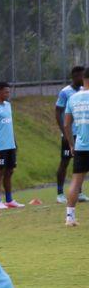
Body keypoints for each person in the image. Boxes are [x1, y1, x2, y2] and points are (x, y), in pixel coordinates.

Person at [0, 82, 22, 210]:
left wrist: (15, 142)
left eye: (9, 91)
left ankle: (9, 200)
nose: (8, 94)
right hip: (0, 147)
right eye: (6, 92)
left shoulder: (8, 105)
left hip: (10, 145)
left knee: (10, 171)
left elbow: (9, 126)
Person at [55, 66, 85, 203]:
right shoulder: (65, 92)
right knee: (65, 162)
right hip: (69, 134)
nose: (83, 79)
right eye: (81, 76)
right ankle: (60, 193)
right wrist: (64, 132)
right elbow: (58, 112)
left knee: (81, 164)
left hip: (82, 133)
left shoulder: (83, 91)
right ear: (74, 76)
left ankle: (79, 192)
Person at [63, 85, 89, 227]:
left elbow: (66, 124)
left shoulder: (73, 98)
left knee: (76, 181)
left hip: (81, 146)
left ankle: (70, 217)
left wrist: (72, 145)